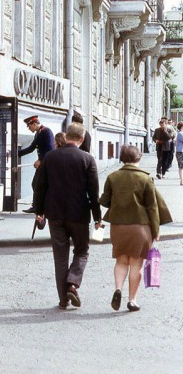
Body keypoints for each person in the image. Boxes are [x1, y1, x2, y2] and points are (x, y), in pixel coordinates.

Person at [34, 122, 102, 310]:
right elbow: (93, 192)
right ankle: (73, 283)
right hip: (79, 214)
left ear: (66, 137)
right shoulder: (87, 159)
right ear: (81, 139)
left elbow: (40, 186)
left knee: (60, 257)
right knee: (82, 250)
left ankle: (63, 298)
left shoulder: (50, 157)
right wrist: (98, 217)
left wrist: (39, 211)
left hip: (54, 214)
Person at [99, 145, 172, 312]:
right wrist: (156, 231)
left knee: (121, 261)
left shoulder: (112, 177)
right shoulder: (145, 179)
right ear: (138, 158)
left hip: (118, 227)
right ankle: (132, 300)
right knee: (136, 264)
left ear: (122, 158)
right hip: (140, 227)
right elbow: (152, 208)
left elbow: (104, 201)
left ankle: (118, 289)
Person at [19, 115, 55, 213]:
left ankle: (39, 207)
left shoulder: (46, 132)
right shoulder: (38, 133)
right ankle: (38, 206)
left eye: (29, 126)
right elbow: (31, 148)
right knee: (36, 184)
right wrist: (16, 154)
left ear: (34, 124)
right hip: (43, 164)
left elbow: (50, 150)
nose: (28, 128)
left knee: (37, 184)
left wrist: (41, 160)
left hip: (46, 164)